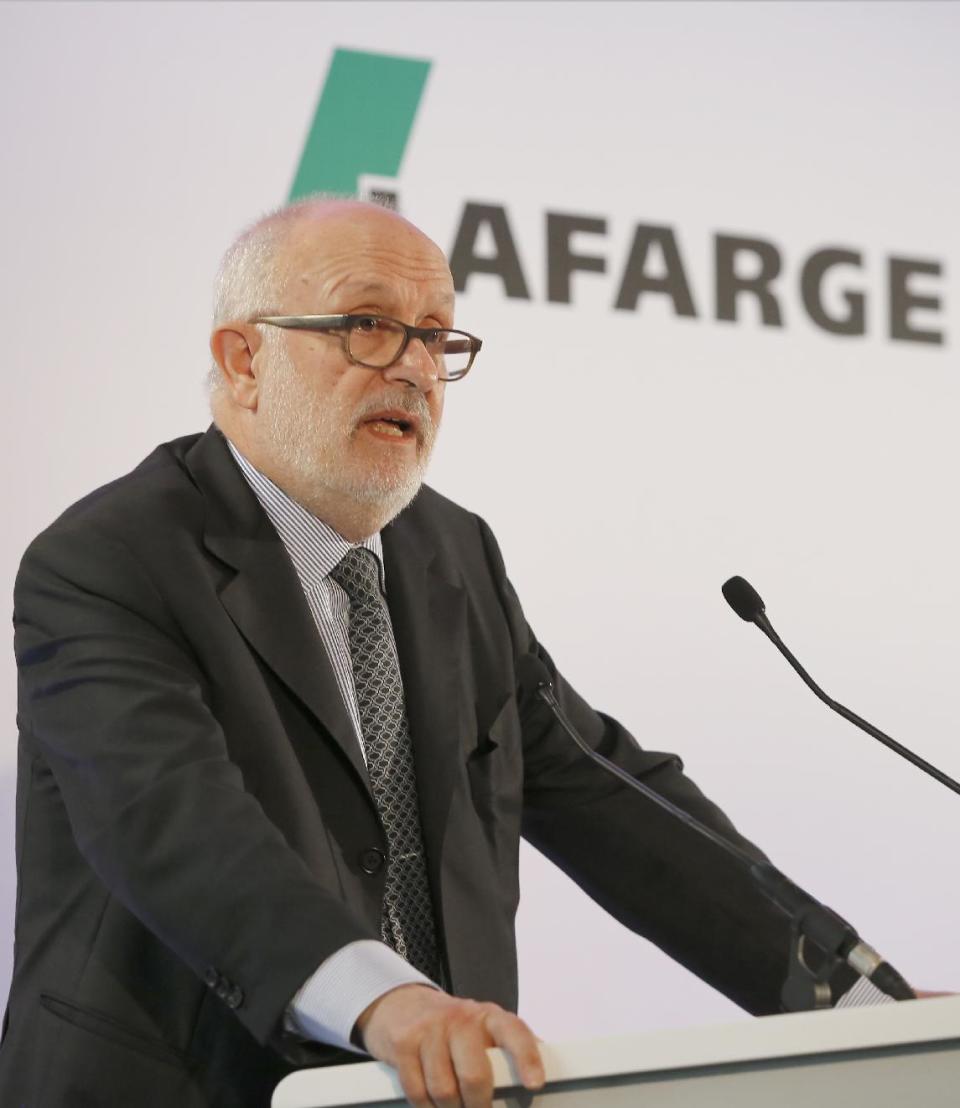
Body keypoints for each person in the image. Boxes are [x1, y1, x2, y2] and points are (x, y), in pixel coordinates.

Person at [1, 199, 893, 1108]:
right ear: (244, 359)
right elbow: (176, 828)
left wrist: (864, 1003)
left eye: (436, 338)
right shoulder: (110, 561)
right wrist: (391, 1004)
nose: (419, 370)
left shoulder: (452, 554)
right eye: (370, 327)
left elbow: (613, 799)